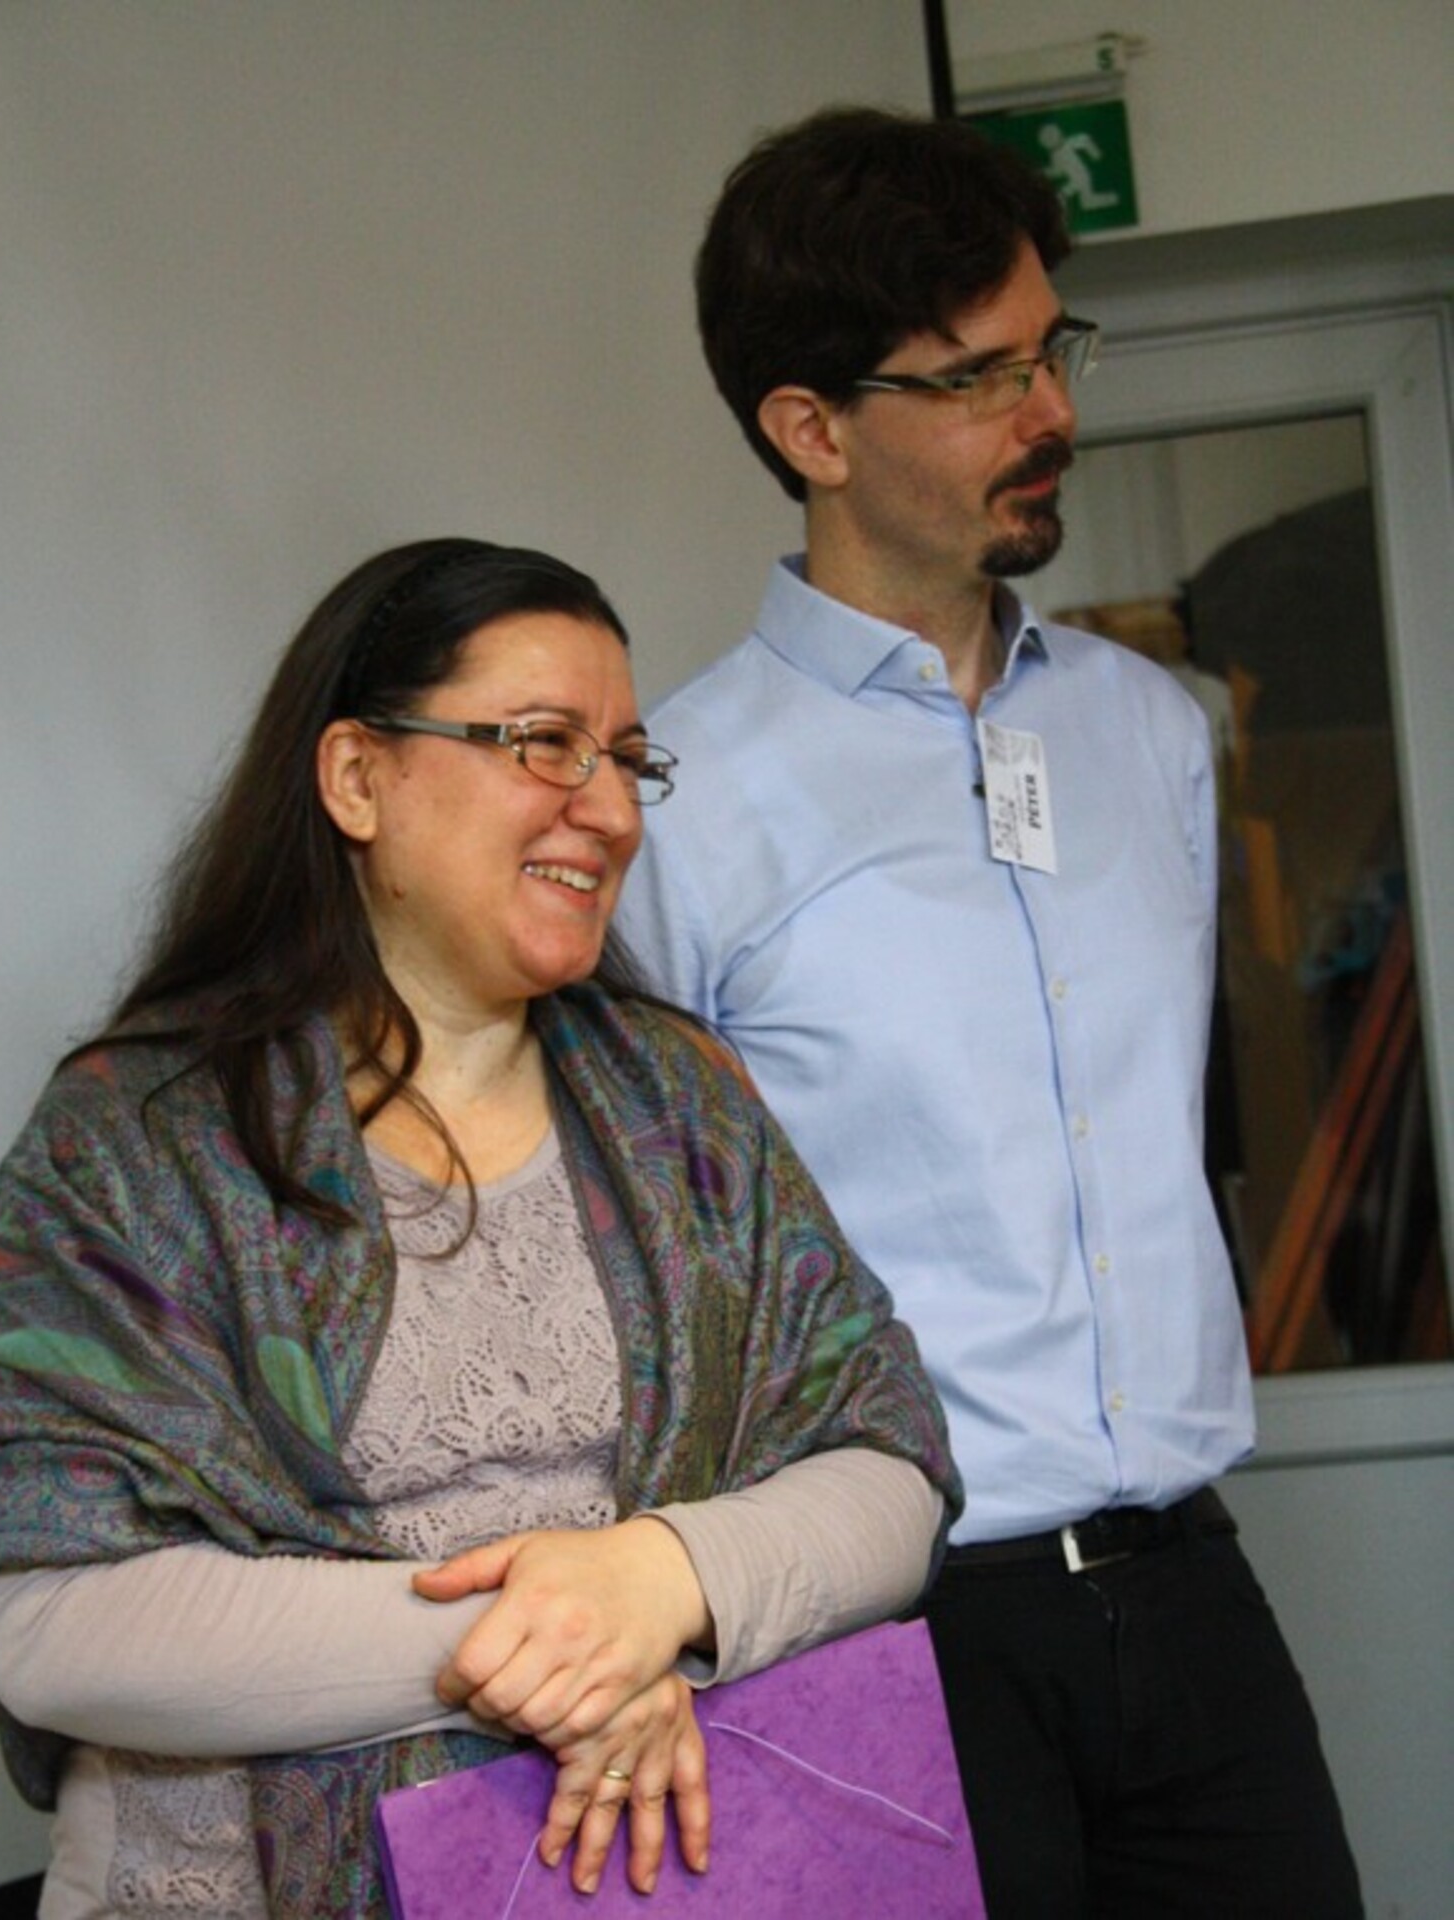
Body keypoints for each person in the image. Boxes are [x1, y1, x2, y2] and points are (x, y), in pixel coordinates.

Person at [0, 536, 956, 1919]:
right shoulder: (139, 1138)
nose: (610, 810)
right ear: (357, 778)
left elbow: (890, 1468)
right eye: (545, 744)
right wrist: (566, 1646)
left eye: (629, 759)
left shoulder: (686, 1104)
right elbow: (48, 1616)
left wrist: (668, 1579)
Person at [616, 107, 1363, 1918]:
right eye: (977, 379)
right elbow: (654, 1270)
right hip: (897, 1621)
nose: (1052, 415)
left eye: (1052, 353)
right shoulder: (678, 806)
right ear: (811, 430)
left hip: (1193, 1582)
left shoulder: (1150, 733)